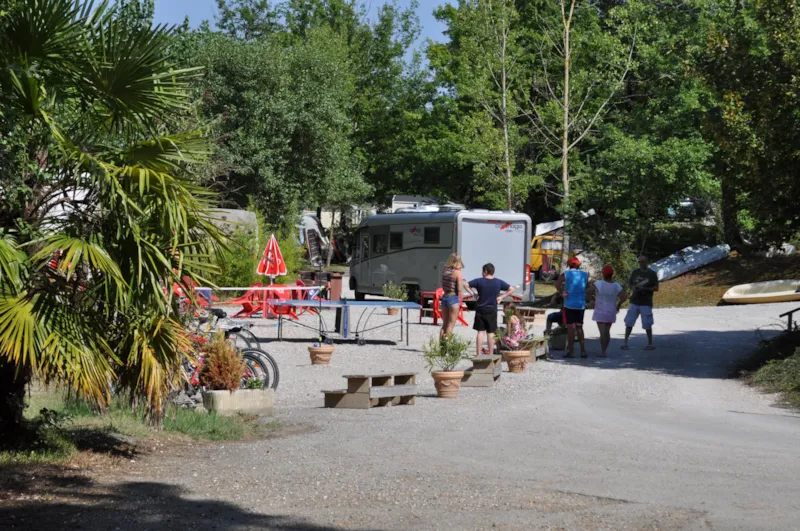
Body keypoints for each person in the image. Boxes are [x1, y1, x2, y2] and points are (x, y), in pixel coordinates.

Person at [466, 263, 515, 357]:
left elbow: (466, 285)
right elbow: (511, 289)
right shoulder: (498, 282)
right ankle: (491, 353)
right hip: (492, 309)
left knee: (480, 331)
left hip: (480, 308)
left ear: (485, 271)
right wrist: (501, 297)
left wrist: (473, 294)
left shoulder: (479, 281)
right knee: (491, 332)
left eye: (482, 271)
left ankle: (478, 353)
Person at [587, 265, 628, 357]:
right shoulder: (616, 285)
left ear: (603, 274)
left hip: (600, 311)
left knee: (602, 333)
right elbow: (624, 296)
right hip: (611, 311)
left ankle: (603, 351)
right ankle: (605, 350)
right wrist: (618, 304)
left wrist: (592, 300)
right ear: (612, 274)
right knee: (607, 332)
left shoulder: (599, 283)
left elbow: (588, 291)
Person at [623, 255, 659, 350]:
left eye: (643, 261)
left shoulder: (652, 274)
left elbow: (656, 288)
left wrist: (645, 288)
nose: (641, 263)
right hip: (634, 301)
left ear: (647, 262)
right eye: (639, 262)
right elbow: (630, 283)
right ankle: (625, 342)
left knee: (647, 323)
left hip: (646, 302)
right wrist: (633, 288)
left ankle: (650, 343)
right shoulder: (635, 272)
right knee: (629, 322)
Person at [555, 256, 588, 358]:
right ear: (579, 265)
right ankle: (583, 351)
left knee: (570, 328)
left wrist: (561, 292)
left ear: (569, 265)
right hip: (581, 304)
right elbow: (586, 286)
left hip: (569, 303)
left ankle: (571, 351)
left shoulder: (566, 273)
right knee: (579, 328)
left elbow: (557, 283)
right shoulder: (585, 274)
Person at [440, 253, 469, 339]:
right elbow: (459, 289)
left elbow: (443, 284)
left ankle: (442, 347)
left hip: (444, 297)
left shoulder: (444, 271)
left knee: (444, 325)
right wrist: (461, 281)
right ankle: (447, 348)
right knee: (450, 325)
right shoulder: (457, 272)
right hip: (453, 297)